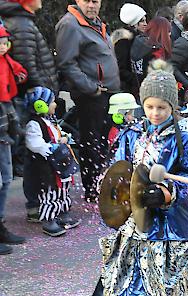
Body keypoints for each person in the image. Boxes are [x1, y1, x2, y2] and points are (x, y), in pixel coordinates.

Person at [86, 60, 188, 296]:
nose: (155, 114)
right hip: (137, 222)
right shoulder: (136, 135)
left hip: (169, 225)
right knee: (134, 271)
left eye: (162, 108)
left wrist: (168, 193)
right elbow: (122, 170)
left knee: (166, 276)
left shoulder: (187, 141)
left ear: (173, 107)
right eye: (150, 107)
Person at [55, 0, 120, 203]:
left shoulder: (95, 22)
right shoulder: (70, 24)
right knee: (91, 143)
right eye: (88, 1)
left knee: (103, 142)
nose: (92, 5)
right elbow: (67, 63)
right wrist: (91, 87)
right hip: (91, 96)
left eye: (96, 1)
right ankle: (92, 187)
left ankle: (100, 183)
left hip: (106, 93)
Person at [0, 0, 59, 219]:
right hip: (35, 99)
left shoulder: (22, 22)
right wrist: (43, 93)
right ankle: (38, 205)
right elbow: (27, 65)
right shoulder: (22, 25)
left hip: (34, 96)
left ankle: (38, 203)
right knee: (35, 154)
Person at [24, 87, 80, 237]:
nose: (55, 104)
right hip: (47, 166)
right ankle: (48, 220)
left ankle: (63, 213)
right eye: (52, 102)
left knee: (63, 191)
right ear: (40, 105)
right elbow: (34, 143)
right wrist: (53, 146)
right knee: (50, 193)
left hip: (59, 165)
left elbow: (59, 132)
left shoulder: (50, 121)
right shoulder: (34, 124)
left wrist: (65, 138)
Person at [0, 24, 25, 254]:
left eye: (4, 42)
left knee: (6, 179)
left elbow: (18, 70)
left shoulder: (6, 60)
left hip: (5, 127)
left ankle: (0, 225)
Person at [130, 16, 173, 96]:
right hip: (154, 93)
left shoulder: (138, 43)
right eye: (167, 31)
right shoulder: (156, 52)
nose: (169, 34)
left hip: (137, 90)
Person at [113, 3, 147, 97]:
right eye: (142, 21)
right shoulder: (123, 41)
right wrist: (138, 79)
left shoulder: (137, 39)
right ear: (134, 23)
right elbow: (121, 68)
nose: (145, 24)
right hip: (127, 89)